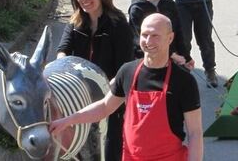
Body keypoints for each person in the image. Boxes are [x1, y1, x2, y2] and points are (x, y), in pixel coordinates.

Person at [50, 14, 203, 161]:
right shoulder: (127, 71)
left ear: (170, 38)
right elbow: (104, 107)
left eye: (155, 35)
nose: (148, 41)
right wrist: (67, 121)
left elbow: (195, 133)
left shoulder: (184, 81)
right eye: (144, 35)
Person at [56, 0, 135, 161]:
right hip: (80, 95)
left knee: (109, 150)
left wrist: (109, 91)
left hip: (111, 96)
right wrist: (60, 66)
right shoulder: (75, 22)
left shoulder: (118, 24)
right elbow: (63, 50)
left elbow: (125, 66)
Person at [128, 0, 194, 68]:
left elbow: (178, 33)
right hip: (148, 62)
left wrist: (186, 57)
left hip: (173, 61)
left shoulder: (170, 5)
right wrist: (172, 55)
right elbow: (138, 41)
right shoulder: (137, 9)